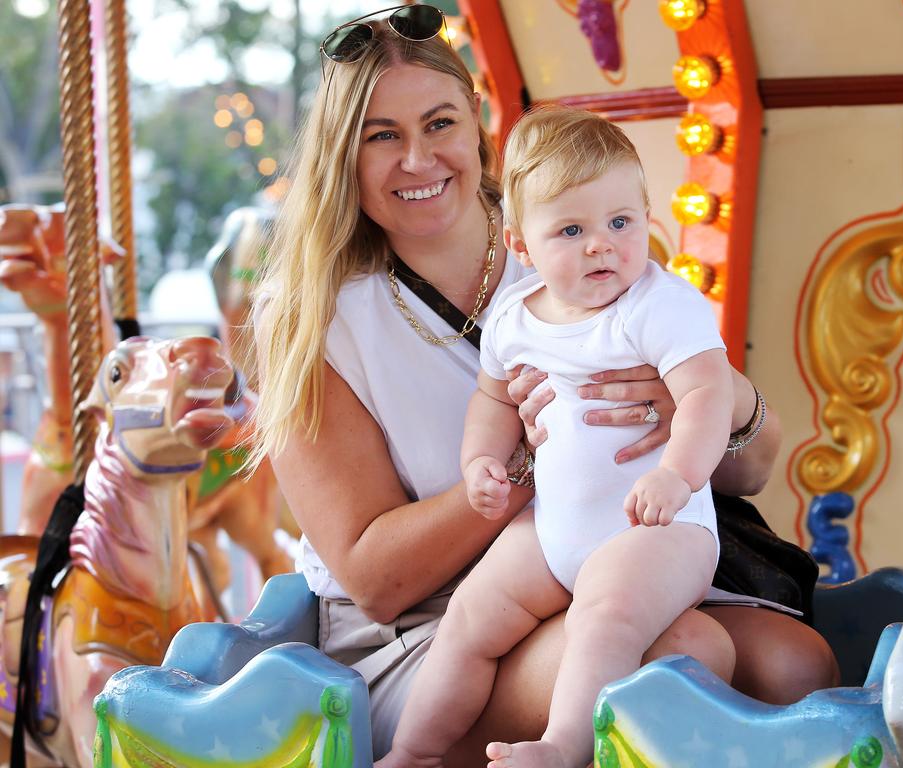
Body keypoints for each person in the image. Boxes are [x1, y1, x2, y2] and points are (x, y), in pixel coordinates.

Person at [249, 4, 838, 764]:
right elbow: (375, 580)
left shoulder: (574, 239)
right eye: (381, 136)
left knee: (797, 665)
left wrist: (713, 397)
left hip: (602, 556)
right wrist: (525, 465)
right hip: (426, 624)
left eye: (439, 124)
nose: (419, 160)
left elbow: (753, 466)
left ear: (479, 129)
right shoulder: (313, 317)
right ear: (341, 155)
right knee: (679, 661)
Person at [379, 105, 734, 768]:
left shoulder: (658, 304)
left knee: (604, 619)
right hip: (553, 529)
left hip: (657, 529)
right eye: (571, 229)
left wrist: (676, 474)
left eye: (621, 223)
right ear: (522, 245)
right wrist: (480, 461)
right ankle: (413, 752)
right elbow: (492, 399)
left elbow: (708, 395)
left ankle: (563, 745)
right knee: (469, 620)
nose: (602, 244)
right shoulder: (514, 316)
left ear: (646, 218)